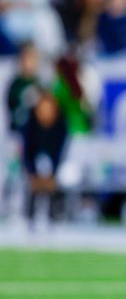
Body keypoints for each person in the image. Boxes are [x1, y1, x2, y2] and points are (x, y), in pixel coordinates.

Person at [21, 92, 67, 228]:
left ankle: (55, 215)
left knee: (54, 183)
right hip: (33, 168)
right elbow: (27, 152)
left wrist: (53, 173)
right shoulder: (31, 127)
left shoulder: (60, 128)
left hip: (54, 167)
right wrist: (32, 172)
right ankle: (29, 217)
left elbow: (61, 152)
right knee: (33, 184)